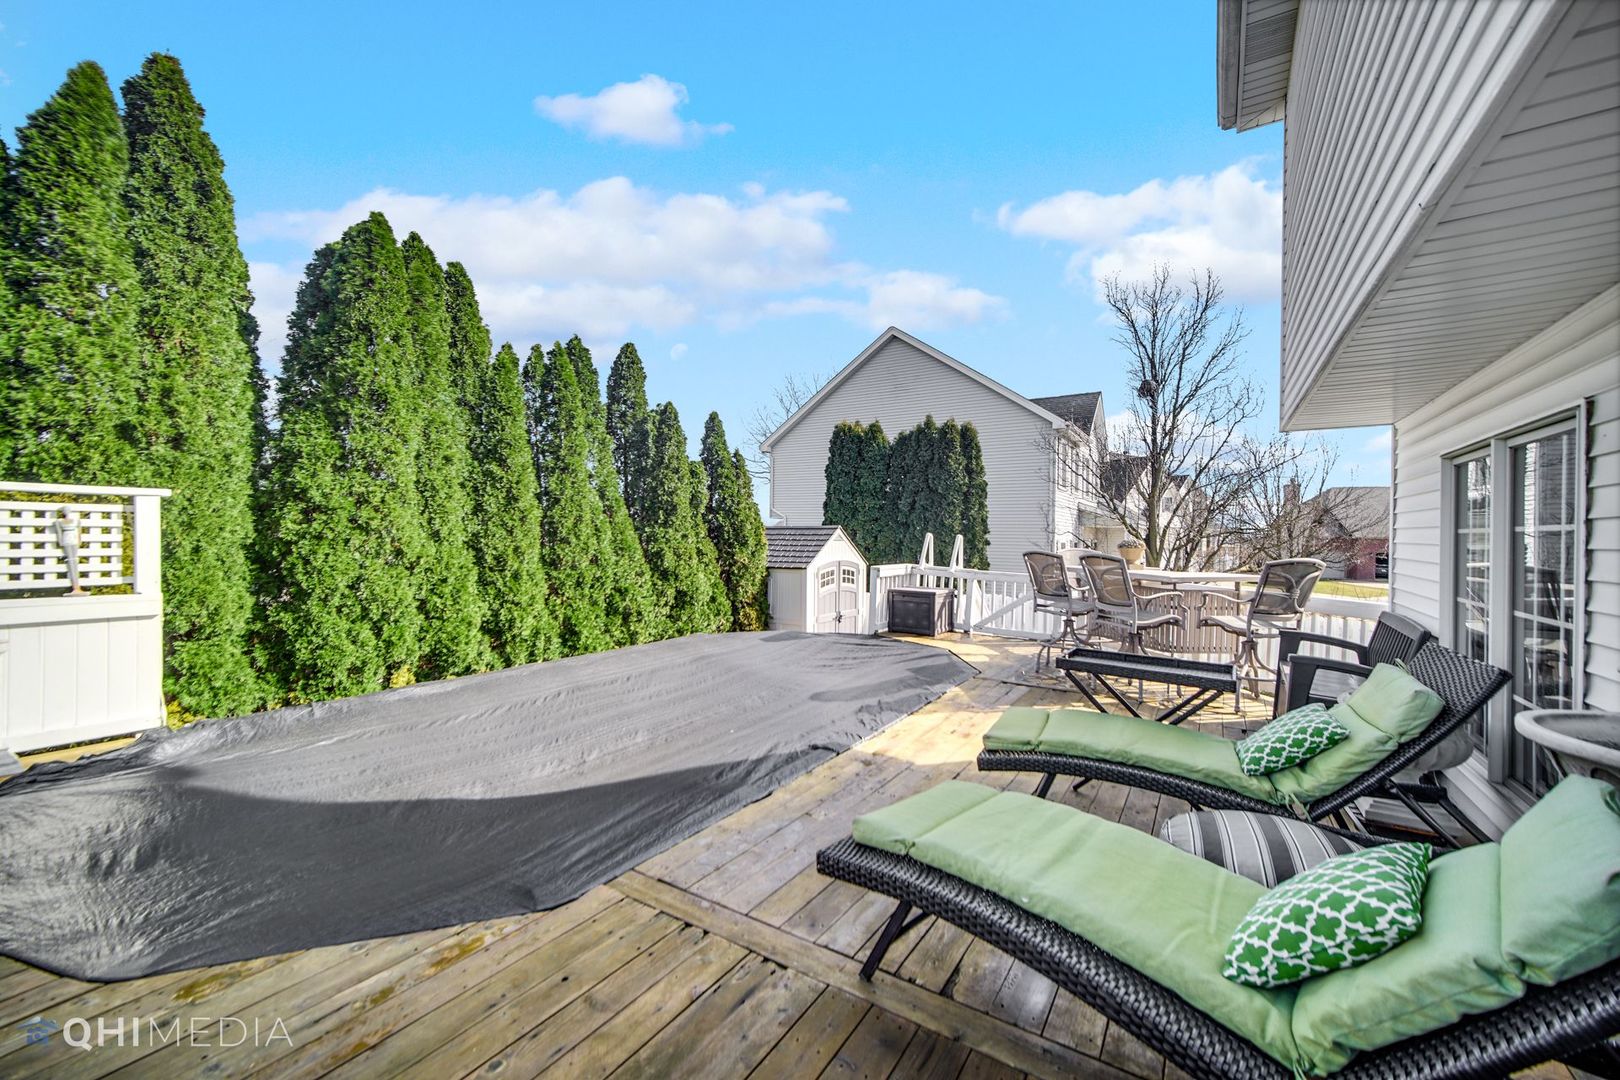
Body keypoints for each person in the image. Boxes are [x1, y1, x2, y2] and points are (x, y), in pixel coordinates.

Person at [55, 507, 86, 596]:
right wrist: (60, 542)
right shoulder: (59, 521)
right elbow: (59, 533)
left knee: (74, 561)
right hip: (66, 540)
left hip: (74, 539)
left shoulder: (76, 520)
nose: (66, 512)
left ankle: (77, 586)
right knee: (71, 561)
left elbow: (79, 532)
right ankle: (75, 586)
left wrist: (79, 540)